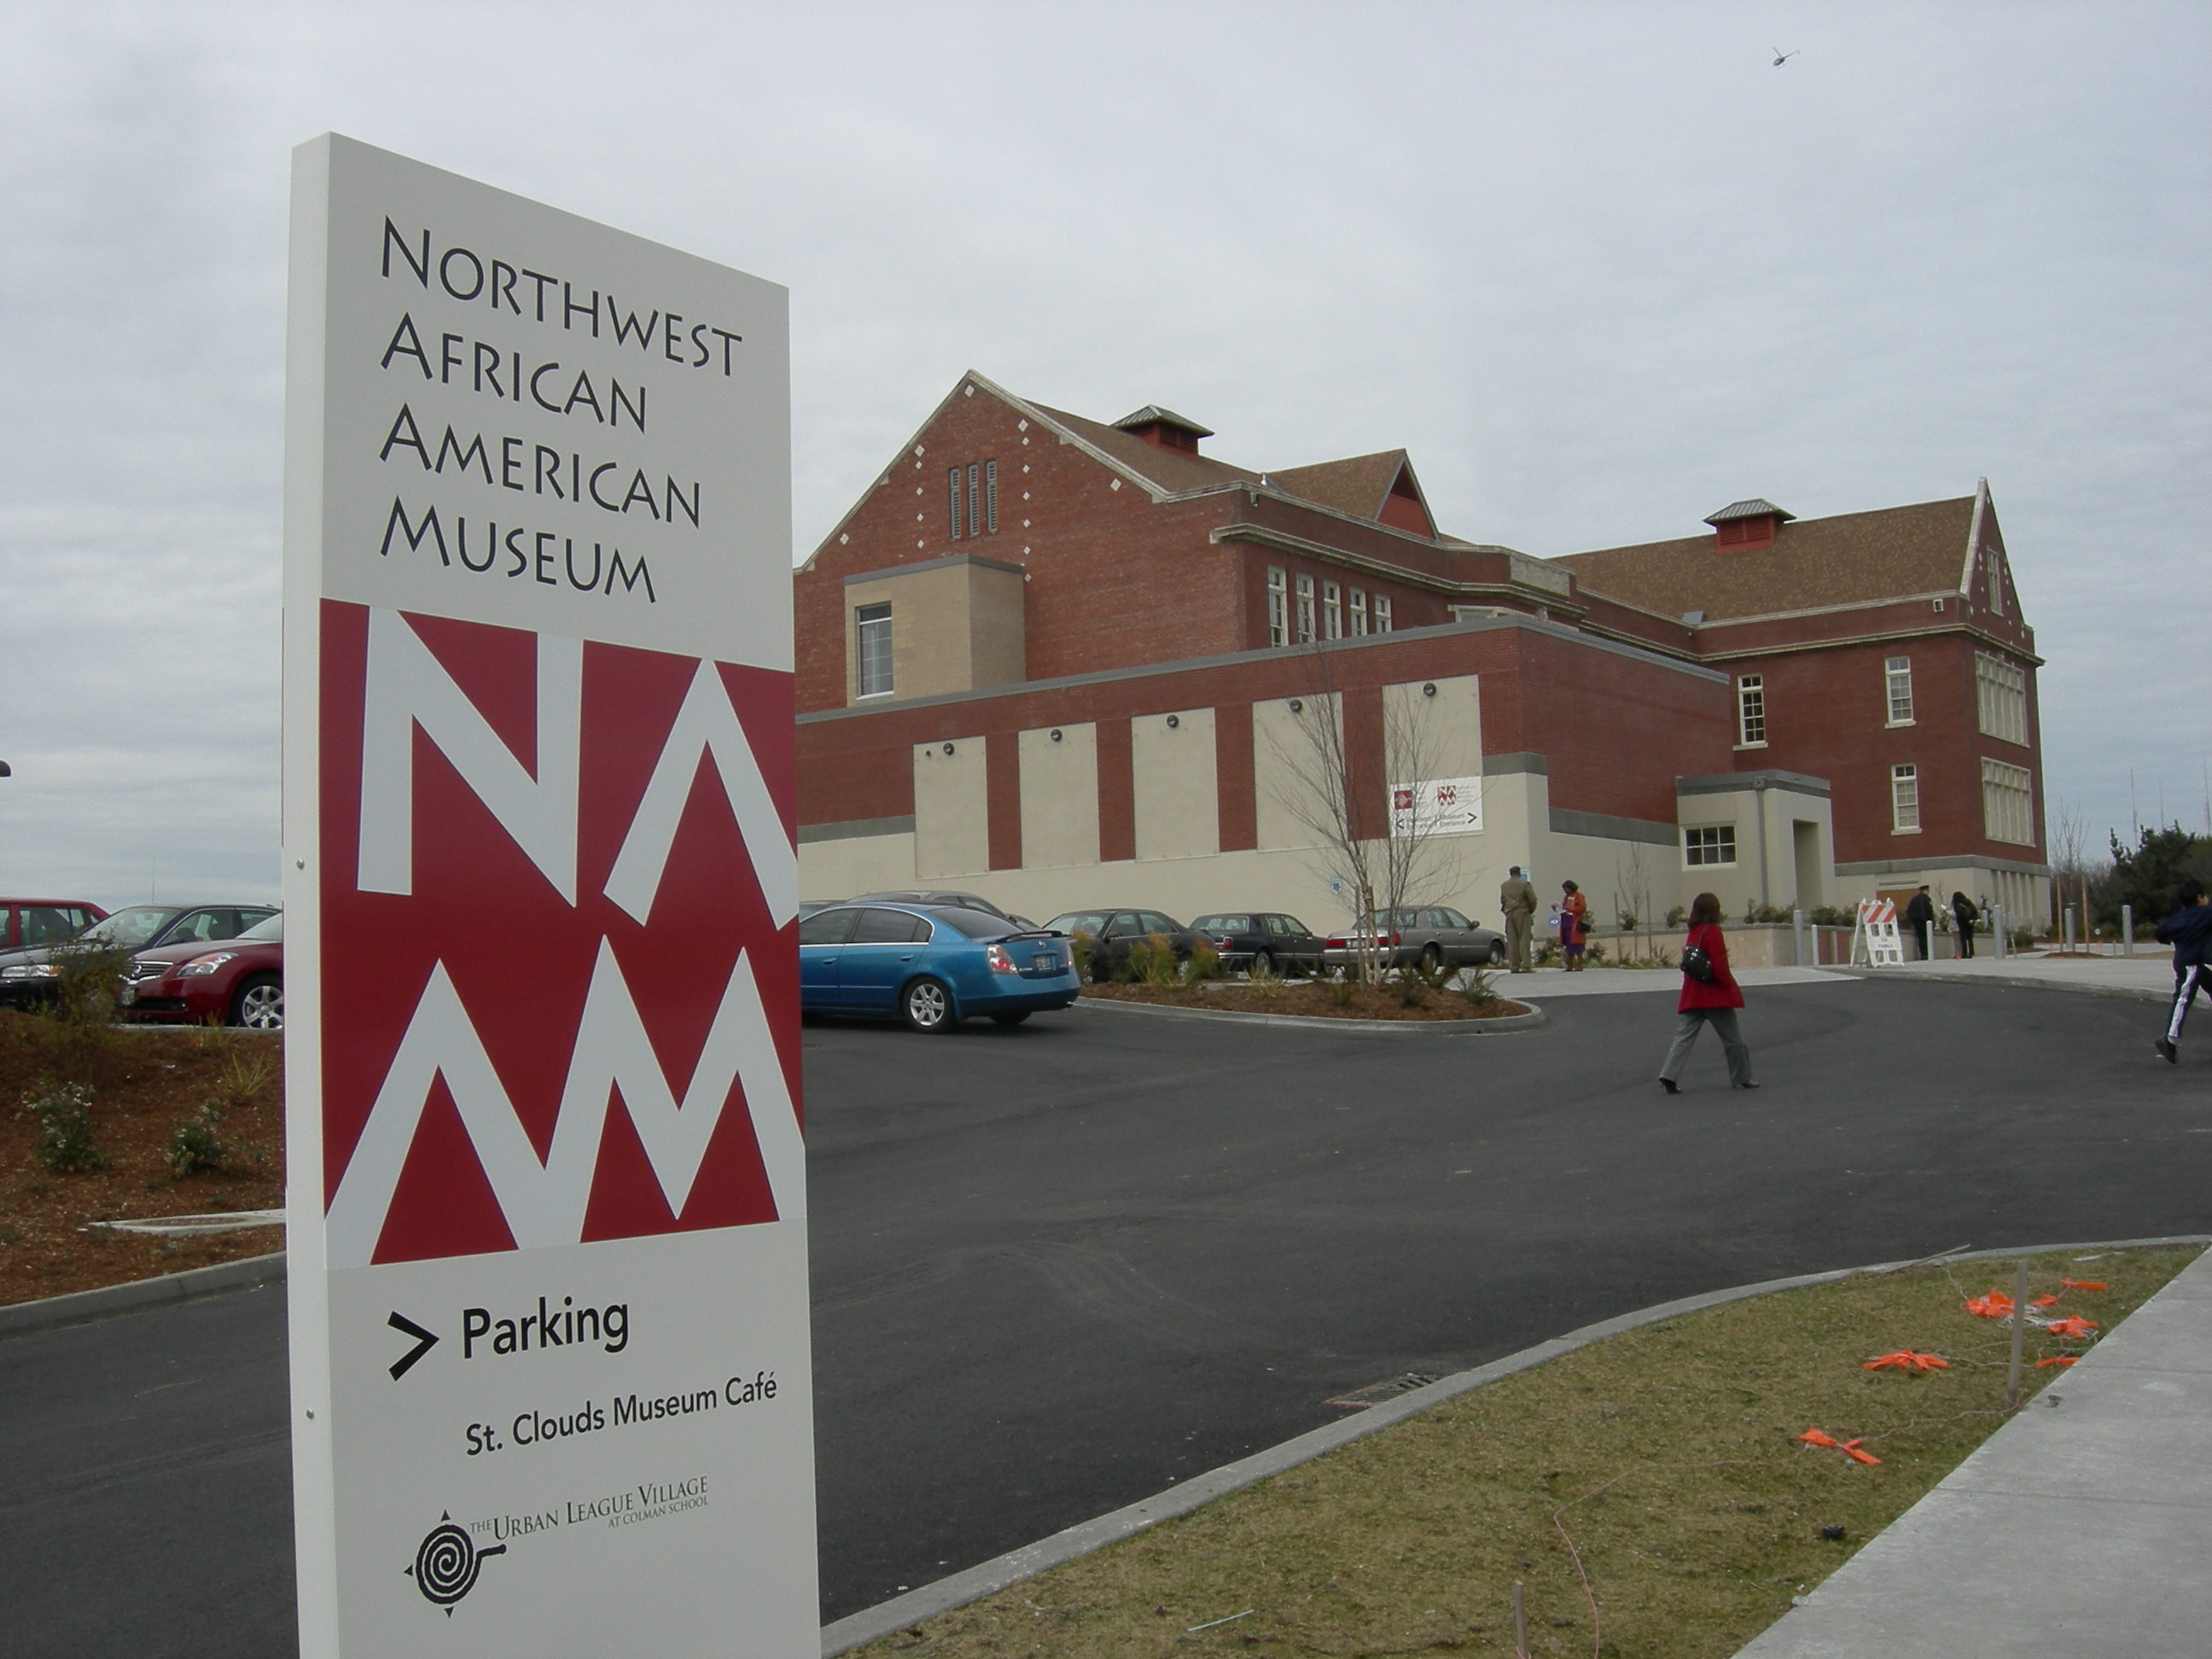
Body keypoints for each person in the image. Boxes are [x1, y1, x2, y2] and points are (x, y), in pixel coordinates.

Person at [1659, 891, 1758, 1093]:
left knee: (1684, 1038)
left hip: (1693, 994)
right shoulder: (1712, 932)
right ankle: (1742, 1077)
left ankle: (1669, 1075)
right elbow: (1720, 966)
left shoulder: (1694, 932)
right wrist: (1728, 987)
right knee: (1733, 1039)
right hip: (1714, 996)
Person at [2154, 876, 2212, 1064]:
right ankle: (2169, 1039)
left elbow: (2160, 932)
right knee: (2183, 997)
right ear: (2200, 897)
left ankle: (2170, 1038)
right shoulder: (2206, 913)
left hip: (2186, 961)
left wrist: (2175, 938)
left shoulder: (2179, 917)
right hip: (2191, 964)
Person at [1499, 865, 1538, 974]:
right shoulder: (1525, 884)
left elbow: (1502, 900)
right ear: (1519, 873)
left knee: (1512, 940)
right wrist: (1530, 910)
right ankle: (1526, 965)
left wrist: (1507, 910)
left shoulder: (1504, 886)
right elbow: (1532, 899)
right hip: (1523, 912)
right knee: (1524, 939)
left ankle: (1514, 965)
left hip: (1509, 913)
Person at [1560, 880, 1590, 971]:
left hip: (1575, 923)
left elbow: (1582, 908)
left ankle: (1579, 965)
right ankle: (1569, 965)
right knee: (1569, 946)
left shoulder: (1579, 896)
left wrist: (1570, 908)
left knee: (1577, 945)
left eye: (1566, 889)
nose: (1565, 891)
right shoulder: (1566, 898)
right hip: (1566, 923)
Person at [1904, 886, 1936, 960]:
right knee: (1926, 938)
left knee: (1921, 938)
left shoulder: (1914, 899)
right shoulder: (1927, 899)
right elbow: (1929, 911)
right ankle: (1927, 954)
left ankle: (1923, 954)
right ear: (1925, 891)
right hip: (1926, 922)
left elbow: (1909, 911)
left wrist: (1912, 921)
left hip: (1917, 922)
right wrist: (1931, 921)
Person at [1951, 891, 1980, 960]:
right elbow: (1975, 911)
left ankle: (1965, 953)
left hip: (1962, 923)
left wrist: (1965, 920)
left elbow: (1960, 914)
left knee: (1963, 938)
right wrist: (1972, 920)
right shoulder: (1969, 902)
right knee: (1970, 938)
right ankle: (1971, 952)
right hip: (1971, 922)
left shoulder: (1957, 904)